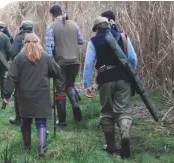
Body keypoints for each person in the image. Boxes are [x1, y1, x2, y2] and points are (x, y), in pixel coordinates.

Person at [83, 16, 138, 159]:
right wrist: (130, 74)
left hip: (105, 79)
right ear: (108, 26)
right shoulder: (123, 37)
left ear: (96, 29)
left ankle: (111, 146)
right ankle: (125, 135)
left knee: (107, 112)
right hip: (123, 78)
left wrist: (87, 85)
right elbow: (132, 59)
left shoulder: (94, 41)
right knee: (123, 112)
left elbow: (89, 64)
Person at [3, 33, 61, 158]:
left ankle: (27, 147)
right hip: (42, 95)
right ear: (38, 42)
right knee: (41, 123)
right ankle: (41, 152)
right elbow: (57, 73)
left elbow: (11, 76)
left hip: (24, 95)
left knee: (26, 121)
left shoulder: (19, 58)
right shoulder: (46, 57)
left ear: (25, 43)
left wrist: (6, 94)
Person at [45, 4, 84, 127]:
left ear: (52, 14)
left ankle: (62, 121)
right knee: (70, 85)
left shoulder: (51, 27)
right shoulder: (74, 24)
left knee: (60, 90)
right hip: (75, 61)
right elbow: (81, 41)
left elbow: (49, 49)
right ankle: (75, 104)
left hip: (60, 62)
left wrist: (49, 65)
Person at [8, 20, 34, 125]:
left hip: (21, 69)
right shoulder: (35, 38)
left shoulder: (19, 37)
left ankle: (19, 118)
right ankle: (34, 116)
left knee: (18, 93)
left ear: (22, 28)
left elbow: (13, 52)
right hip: (35, 69)